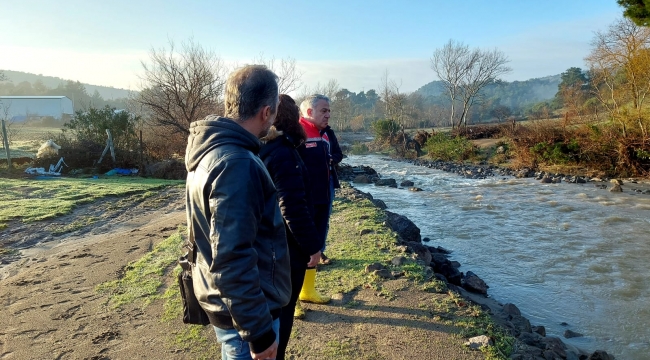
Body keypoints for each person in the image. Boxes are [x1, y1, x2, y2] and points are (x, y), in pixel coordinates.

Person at [185, 65, 290, 360]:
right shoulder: (236, 163)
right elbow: (232, 258)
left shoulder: (210, 150)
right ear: (266, 111)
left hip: (232, 308)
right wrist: (259, 332)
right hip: (246, 319)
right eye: (276, 109)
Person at [259, 94, 322, 360]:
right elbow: (292, 207)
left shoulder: (264, 149)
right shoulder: (283, 152)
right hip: (285, 252)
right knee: (283, 314)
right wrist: (313, 247)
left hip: (270, 248)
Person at [295, 94, 334, 309]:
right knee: (299, 249)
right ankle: (292, 300)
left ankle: (307, 291)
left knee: (315, 248)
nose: (328, 115)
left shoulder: (324, 135)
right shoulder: (297, 134)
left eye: (329, 111)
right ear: (309, 112)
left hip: (322, 200)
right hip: (303, 203)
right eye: (323, 111)